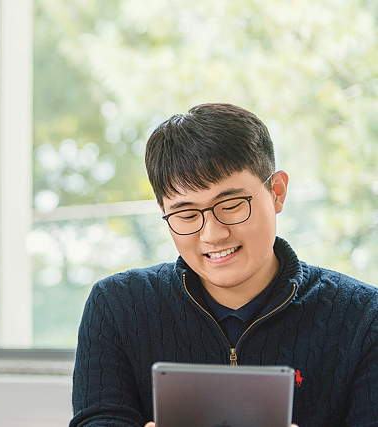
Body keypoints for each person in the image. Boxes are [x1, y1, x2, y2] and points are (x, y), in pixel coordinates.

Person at [70, 103, 378, 427]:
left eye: (231, 205)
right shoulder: (118, 307)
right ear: (163, 211)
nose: (213, 234)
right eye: (187, 215)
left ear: (277, 192)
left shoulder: (363, 319)